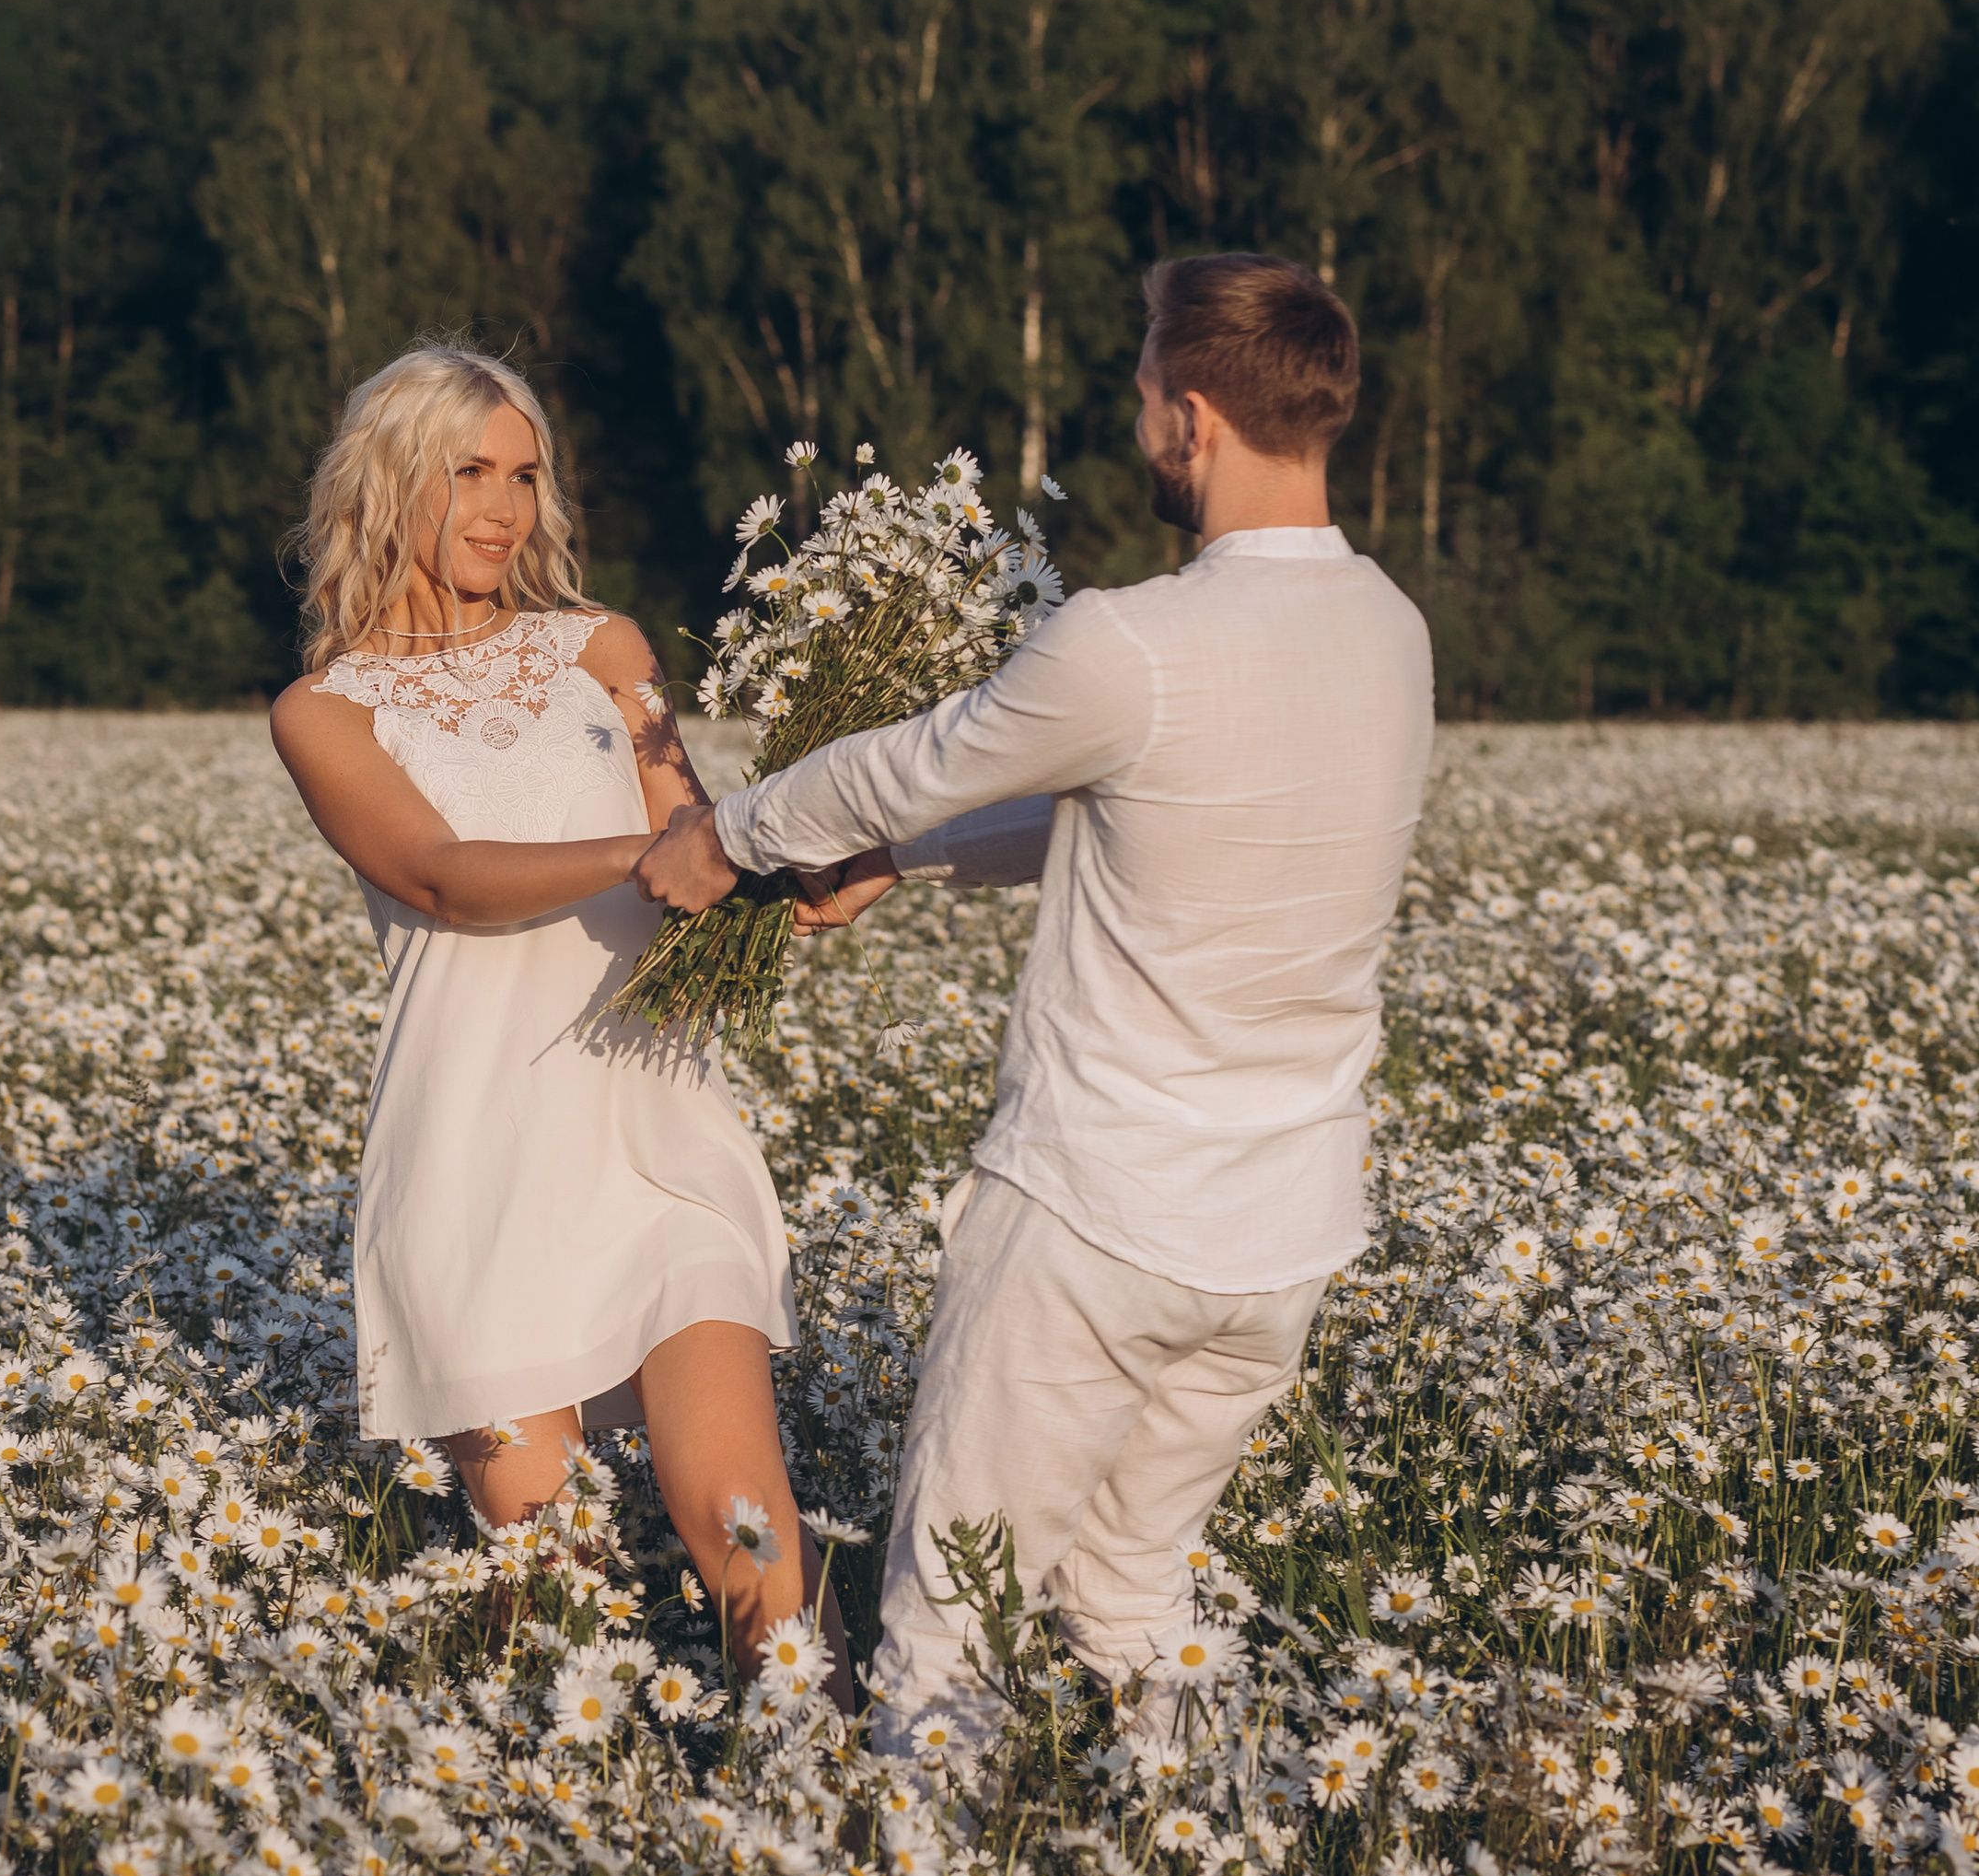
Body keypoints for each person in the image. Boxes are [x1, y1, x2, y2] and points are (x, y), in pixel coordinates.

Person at [637, 253, 1432, 1754]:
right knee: (1134, 1601)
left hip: (1095, 1223)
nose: (1140, 428)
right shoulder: (1392, 631)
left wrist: (730, 834)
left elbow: (907, 757)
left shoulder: (1128, 643)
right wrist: (905, 862)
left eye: (1143, 394)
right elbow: (1141, 810)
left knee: (946, 1631)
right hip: (1283, 1243)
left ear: (1190, 416)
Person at [270, 340, 849, 1698]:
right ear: (388, 482)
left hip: (654, 1146)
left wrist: (800, 878)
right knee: (549, 1585)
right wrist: (646, 861)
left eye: (525, 475)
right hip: (475, 1168)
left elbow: (704, 848)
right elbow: (442, 877)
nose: (504, 506)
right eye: (468, 471)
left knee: (739, 1527)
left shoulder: (607, 652)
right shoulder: (322, 711)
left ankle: (835, 1797)